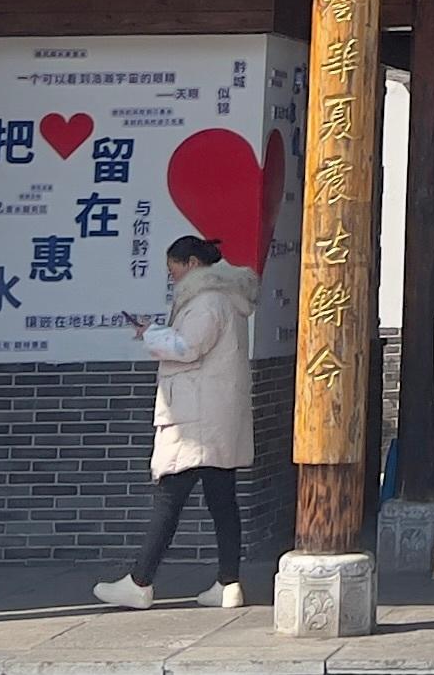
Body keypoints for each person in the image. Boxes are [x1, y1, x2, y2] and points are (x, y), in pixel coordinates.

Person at [93, 235, 255, 611]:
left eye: (174, 268)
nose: (173, 277)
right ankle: (228, 583)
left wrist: (152, 334)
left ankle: (140, 582)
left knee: (169, 498)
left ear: (193, 264)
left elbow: (188, 347)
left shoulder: (207, 300)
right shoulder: (225, 298)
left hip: (195, 418)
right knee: (222, 502)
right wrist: (157, 333)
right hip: (214, 416)